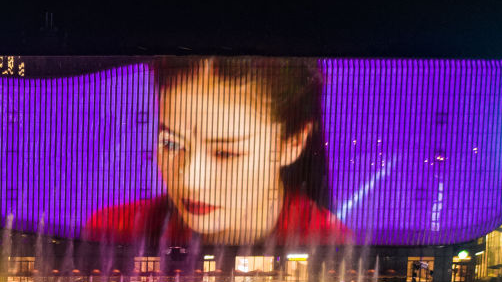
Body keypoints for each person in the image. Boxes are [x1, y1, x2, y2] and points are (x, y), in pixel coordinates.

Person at [85, 56, 350, 247]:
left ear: (292, 143)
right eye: (171, 143)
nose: (190, 181)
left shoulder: (329, 243)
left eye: (225, 153)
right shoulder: (114, 231)